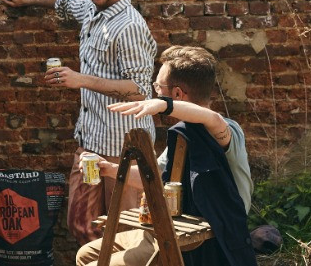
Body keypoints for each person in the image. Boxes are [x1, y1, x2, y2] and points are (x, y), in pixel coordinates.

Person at [0, 0, 157, 245]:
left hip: (123, 147)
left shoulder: (130, 26)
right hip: (91, 143)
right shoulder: (91, 8)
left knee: (127, 233)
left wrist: (79, 79)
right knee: (82, 225)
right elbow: (67, 2)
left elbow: (139, 89)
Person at [75, 46, 256, 266]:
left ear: (177, 94)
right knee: (85, 255)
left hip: (204, 240)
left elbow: (213, 120)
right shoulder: (182, 135)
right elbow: (155, 175)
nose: (154, 93)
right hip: (165, 229)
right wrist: (109, 169)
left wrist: (164, 105)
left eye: (158, 88)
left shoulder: (226, 130)